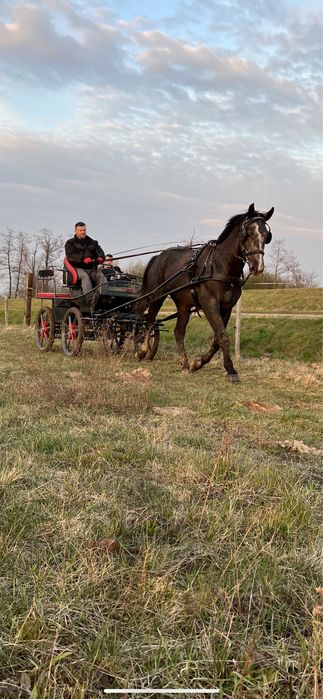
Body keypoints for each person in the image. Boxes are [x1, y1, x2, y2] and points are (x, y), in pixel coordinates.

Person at [65, 222, 106, 298]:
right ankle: (90, 299)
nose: (83, 232)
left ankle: (103, 297)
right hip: (78, 268)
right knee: (84, 276)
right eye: (80, 230)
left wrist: (101, 257)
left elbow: (100, 252)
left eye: (84, 230)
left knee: (100, 275)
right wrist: (83, 259)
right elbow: (70, 256)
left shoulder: (93, 242)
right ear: (75, 231)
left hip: (91, 269)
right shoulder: (70, 243)